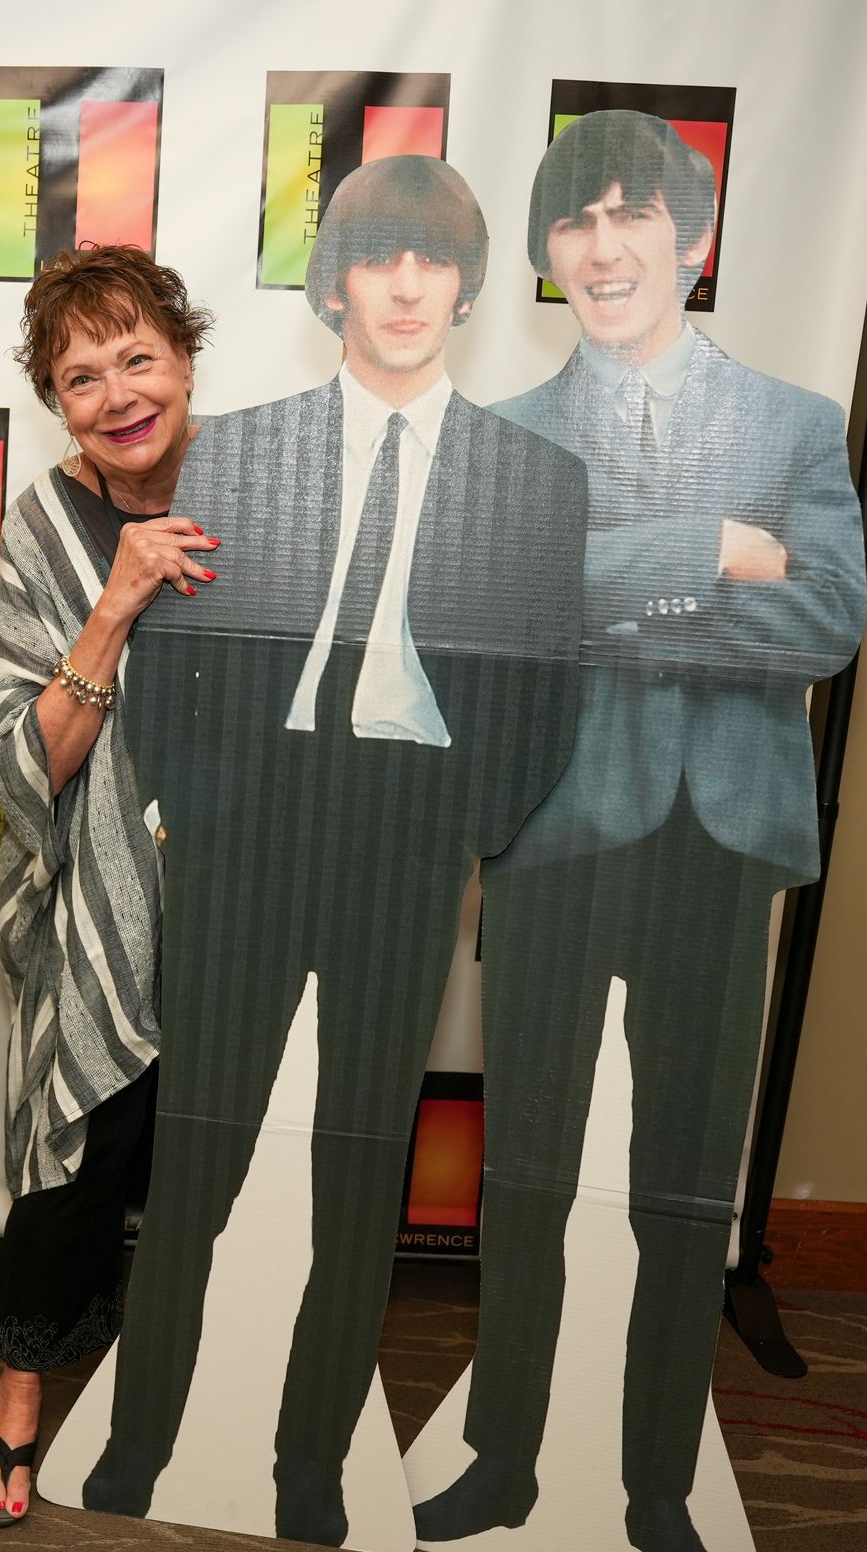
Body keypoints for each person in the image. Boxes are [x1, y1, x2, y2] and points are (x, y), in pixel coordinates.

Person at [79, 157, 588, 1546]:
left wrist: (470, 832)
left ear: (468, 286)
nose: (407, 287)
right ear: (335, 286)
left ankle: (310, 1462)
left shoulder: (533, 481)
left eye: (434, 261)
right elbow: (173, 652)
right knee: (199, 1153)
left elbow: (548, 689)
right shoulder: (241, 452)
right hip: (247, 827)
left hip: (411, 834)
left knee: (358, 1169)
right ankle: (138, 1437)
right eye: (379, 258)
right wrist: (190, 811)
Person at [413, 111, 866, 1552]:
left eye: (633, 215)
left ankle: (659, 1479)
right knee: (529, 1172)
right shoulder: (502, 435)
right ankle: (503, 1458)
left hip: (719, 848)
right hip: (552, 835)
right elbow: (490, 613)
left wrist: (600, 597)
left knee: (681, 1185)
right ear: (549, 250)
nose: (602, 248)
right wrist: (705, 554)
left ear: (696, 237)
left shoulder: (793, 423)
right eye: (575, 220)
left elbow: (828, 621)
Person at [0, 246, 216, 1527]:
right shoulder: (44, 522)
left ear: (185, 358)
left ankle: (196, 1381)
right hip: (97, 889)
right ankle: (20, 1391)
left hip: (245, 883)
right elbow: (24, 759)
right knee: (82, 1136)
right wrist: (112, 607)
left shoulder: (258, 484)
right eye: (81, 378)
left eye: (136, 359)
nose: (118, 396)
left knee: (220, 1146)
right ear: (55, 402)